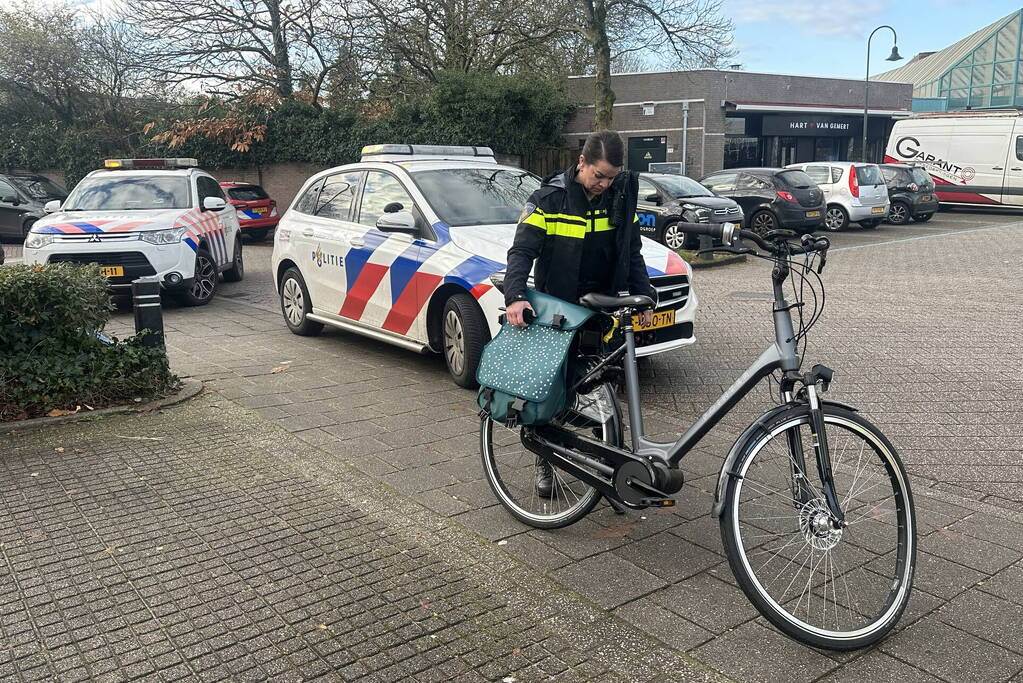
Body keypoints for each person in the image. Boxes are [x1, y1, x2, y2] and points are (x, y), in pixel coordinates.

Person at [502, 130, 655, 496]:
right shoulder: (550, 200)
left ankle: (605, 458)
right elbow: (521, 251)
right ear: (581, 162)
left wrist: (645, 296)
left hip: (602, 308)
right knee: (553, 390)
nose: (604, 184)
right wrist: (515, 296)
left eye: (611, 177)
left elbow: (631, 254)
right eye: (598, 175)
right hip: (559, 309)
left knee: (604, 385)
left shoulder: (619, 199)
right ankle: (545, 459)